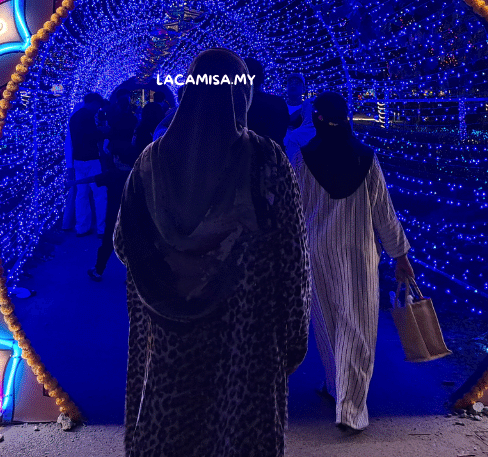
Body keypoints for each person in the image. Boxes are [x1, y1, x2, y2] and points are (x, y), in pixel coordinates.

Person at [114, 49, 310, 457]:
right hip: (245, 340)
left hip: (167, 340)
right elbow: (292, 257)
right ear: (242, 96)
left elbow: (122, 243)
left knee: (168, 434)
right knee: (238, 436)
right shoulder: (266, 159)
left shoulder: (150, 162)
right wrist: (293, 338)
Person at [290, 92, 414, 434]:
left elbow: (293, 211)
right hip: (357, 253)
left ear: (315, 119)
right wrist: (400, 256)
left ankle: (335, 388)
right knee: (357, 328)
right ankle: (351, 407)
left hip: (315, 254)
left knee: (327, 325)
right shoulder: (366, 159)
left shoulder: (302, 159)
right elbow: (384, 215)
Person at [87, 89, 139, 281]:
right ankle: (134, 276)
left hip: (114, 214)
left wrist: (74, 180)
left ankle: (98, 270)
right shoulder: (138, 173)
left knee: (109, 240)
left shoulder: (112, 174)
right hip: (133, 214)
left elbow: (94, 179)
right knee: (134, 243)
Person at [68, 92, 107, 236]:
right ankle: (102, 229)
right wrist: (103, 132)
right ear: (94, 102)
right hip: (91, 159)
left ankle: (82, 227)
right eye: (98, 106)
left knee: (81, 194)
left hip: (78, 159)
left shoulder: (74, 117)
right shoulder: (87, 116)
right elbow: (92, 137)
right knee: (100, 194)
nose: (98, 109)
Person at [244, 57, 290, 147]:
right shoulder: (279, 103)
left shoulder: (238, 106)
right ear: (262, 78)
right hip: (276, 157)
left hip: (245, 158)